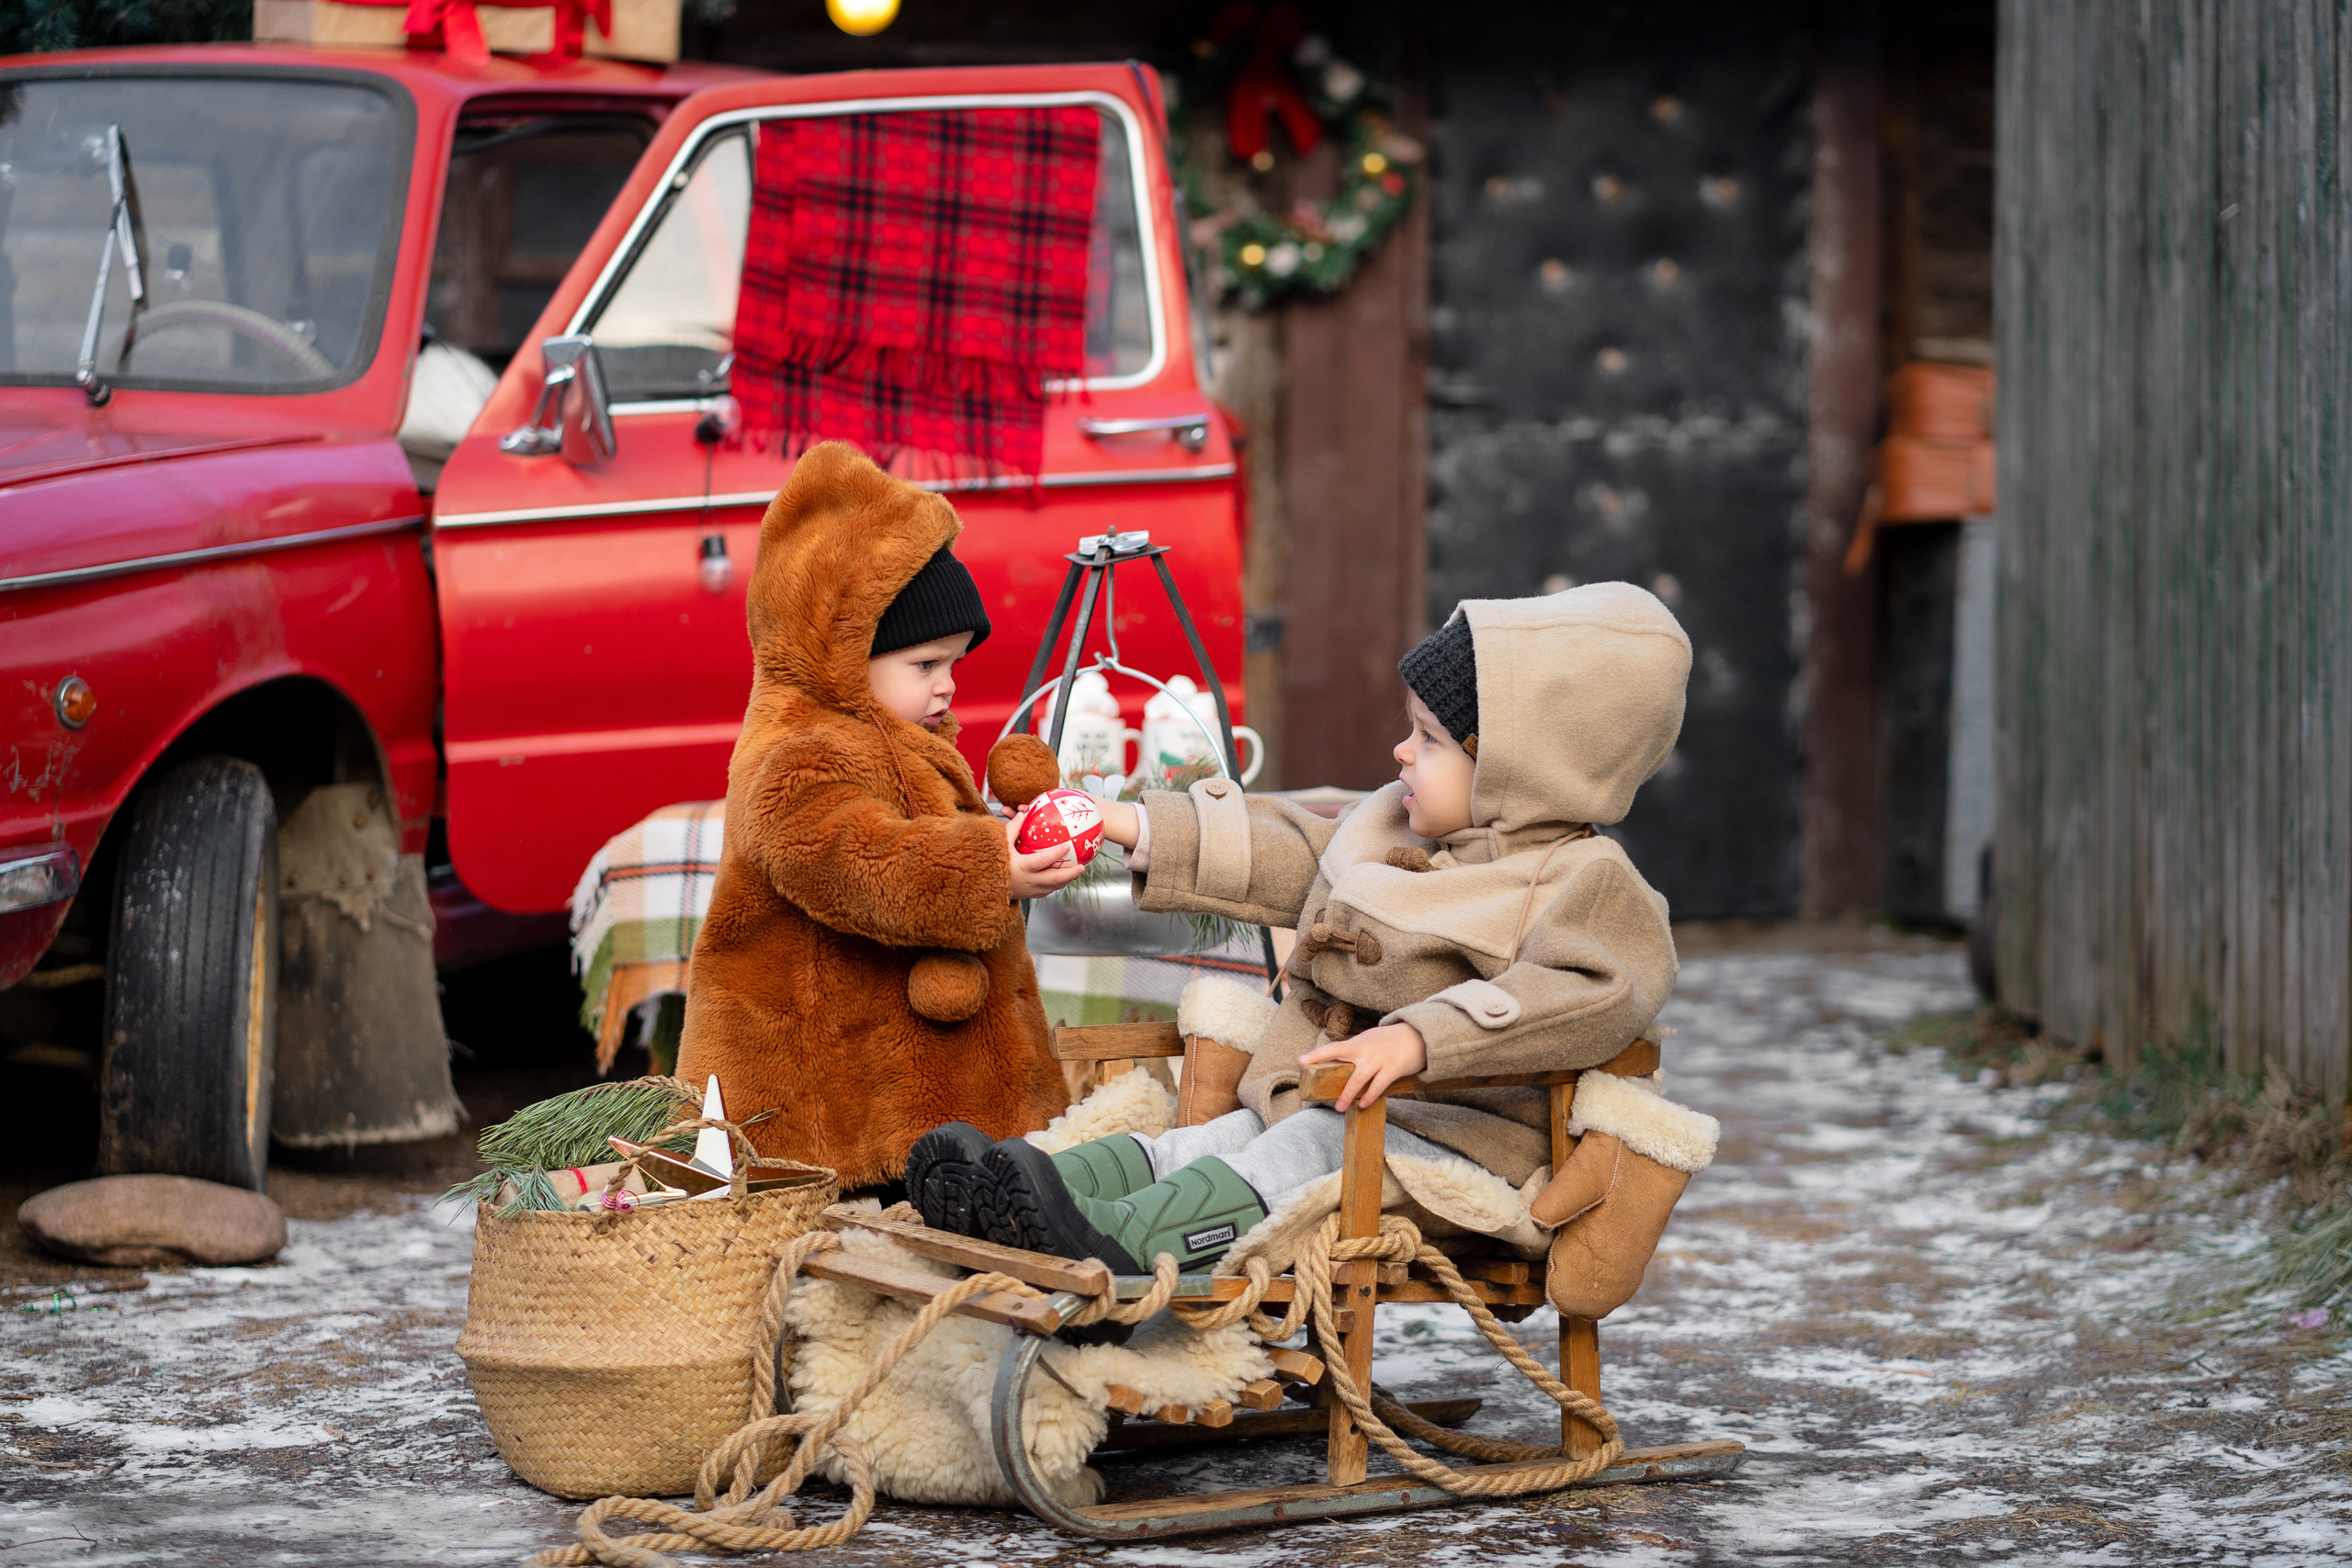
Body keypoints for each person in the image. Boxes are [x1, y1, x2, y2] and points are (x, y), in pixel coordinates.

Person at [910, 581, 1694, 1272]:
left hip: (1459, 1139)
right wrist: (1125, 821)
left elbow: (1593, 993)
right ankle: (1022, 1192)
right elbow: (1289, 845)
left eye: (1429, 740)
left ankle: (1117, 1240)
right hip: (1329, 1103)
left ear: (1510, 769)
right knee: (1211, 1142)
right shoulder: (1401, 824)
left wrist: (1423, 1037)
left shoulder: (1583, 883)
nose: (1401, 752)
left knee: (1297, 1150)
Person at [675, 443, 1082, 1196]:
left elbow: (913, 831)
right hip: (827, 1099)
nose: (947, 687)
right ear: (844, 653)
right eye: (925, 666)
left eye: (954, 665)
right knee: (860, 1250)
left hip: (906, 1097)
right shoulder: (797, 750)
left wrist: (1000, 835)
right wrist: (991, 864)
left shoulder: (898, 738)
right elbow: (856, 858)